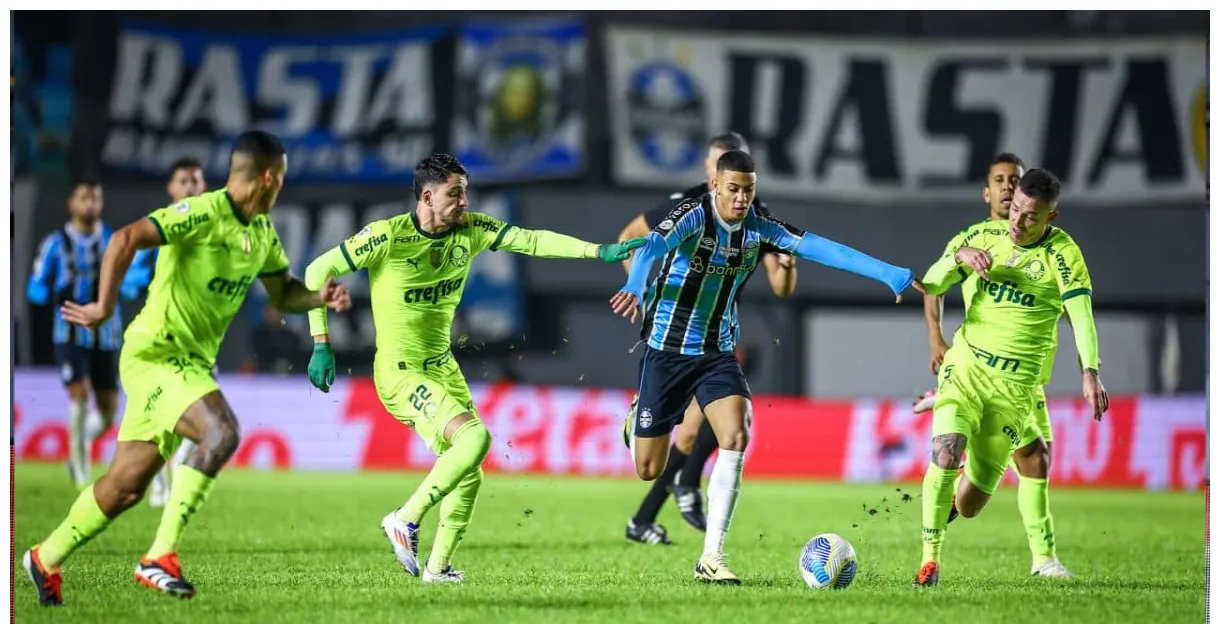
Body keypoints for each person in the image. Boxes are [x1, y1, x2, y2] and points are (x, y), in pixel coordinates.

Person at [21, 131, 352, 606]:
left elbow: (283, 294)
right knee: (220, 431)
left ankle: (45, 557)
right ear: (266, 177)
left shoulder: (261, 232)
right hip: (156, 354)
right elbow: (125, 238)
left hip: (187, 365)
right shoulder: (203, 212)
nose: (281, 188)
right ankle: (160, 556)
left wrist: (317, 297)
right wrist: (102, 305)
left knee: (124, 488)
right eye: (280, 179)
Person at [303, 153, 642, 585]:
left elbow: (532, 240)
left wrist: (598, 251)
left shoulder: (473, 230)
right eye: (455, 193)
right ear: (427, 195)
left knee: (467, 467)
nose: (465, 201)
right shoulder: (388, 236)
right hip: (401, 372)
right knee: (475, 438)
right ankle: (404, 519)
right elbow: (318, 270)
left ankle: (437, 569)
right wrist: (321, 342)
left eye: (465, 191)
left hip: (442, 367)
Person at [611, 150, 924, 585]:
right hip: (667, 349)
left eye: (749, 190)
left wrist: (889, 273)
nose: (742, 199)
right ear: (716, 186)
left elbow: (821, 248)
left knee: (736, 433)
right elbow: (649, 247)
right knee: (649, 468)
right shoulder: (691, 215)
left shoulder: (760, 227)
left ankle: (712, 556)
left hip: (717, 352)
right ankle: (636, 420)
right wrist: (634, 281)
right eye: (734, 189)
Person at [913, 168, 1108, 588]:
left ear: (1050, 218)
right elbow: (930, 284)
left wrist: (1090, 371)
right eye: (1015, 209)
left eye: (1030, 217)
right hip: (966, 368)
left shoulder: (1063, 255)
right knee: (946, 451)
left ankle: (961, 456)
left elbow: (1081, 315)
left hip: (1017, 388)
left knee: (969, 503)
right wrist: (956, 259)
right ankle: (929, 562)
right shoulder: (983, 238)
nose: (1017, 223)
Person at [616, 132, 798, 546]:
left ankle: (667, 507)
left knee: (719, 424)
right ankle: (672, 492)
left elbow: (782, 286)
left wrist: (786, 266)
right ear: (709, 170)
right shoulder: (687, 205)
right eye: (719, 165)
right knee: (679, 440)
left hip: (716, 340)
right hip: (673, 340)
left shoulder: (754, 213)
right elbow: (630, 237)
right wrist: (640, 290)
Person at [26, 179, 149, 487]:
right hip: (68, 332)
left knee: (108, 411)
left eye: (95, 198)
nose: (90, 204)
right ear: (71, 203)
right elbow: (35, 287)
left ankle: (76, 447)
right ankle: (80, 472)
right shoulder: (56, 244)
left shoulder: (114, 240)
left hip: (106, 334)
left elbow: (131, 280)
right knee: (79, 395)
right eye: (84, 198)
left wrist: (137, 283)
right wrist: (52, 294)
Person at [146, 156, 210, 507]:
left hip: (201, 338)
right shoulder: (160, 227)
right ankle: (159, 482)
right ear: (171, 188)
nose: (190, 187)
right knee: (161, 419)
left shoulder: (212, 228)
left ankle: (177, 469)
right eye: (183, 181)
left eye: (195, 181)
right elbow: (136, 272)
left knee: (207, 419)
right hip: (165, 336)